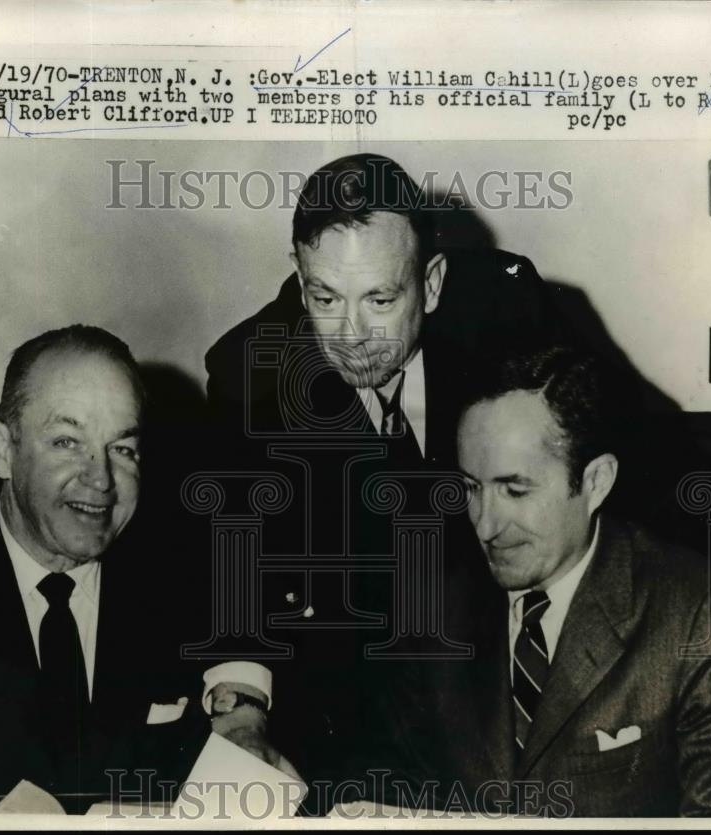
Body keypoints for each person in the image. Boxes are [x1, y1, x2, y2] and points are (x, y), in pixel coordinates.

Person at [203, 153, 565, 808]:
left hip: (498, 661)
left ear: (430, 283)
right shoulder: (251, 374)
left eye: (380, 299)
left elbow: (606, 489)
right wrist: (242, 705)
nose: (350, 335)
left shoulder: (510, 323)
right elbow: (233, 559)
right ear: (299, 274)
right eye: (324, 297)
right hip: (348, 677)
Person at [0, 325, 285, 814]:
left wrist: (244, 713)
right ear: (3, 449)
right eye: (66, 441)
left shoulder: (174, 562)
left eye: (122, 449)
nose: (100, 478)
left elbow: (242, 625)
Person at [367, 346, 711, 816]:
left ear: (595, 482)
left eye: (514, 489)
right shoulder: (437, 609)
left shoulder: (700, 614)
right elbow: (396, 789)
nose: (485, 525)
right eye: (470, 488)